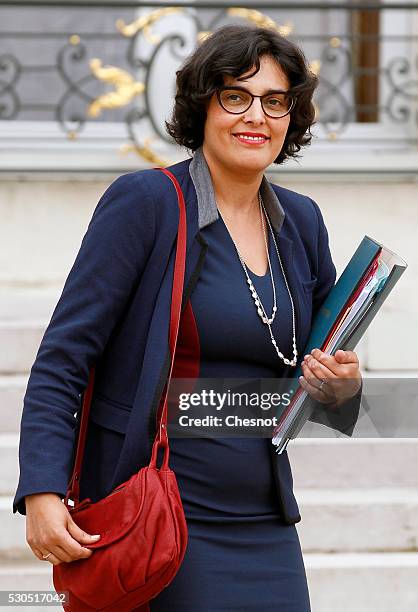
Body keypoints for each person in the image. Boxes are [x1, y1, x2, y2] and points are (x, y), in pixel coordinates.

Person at [14, 24, 362, 611]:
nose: (256, 116)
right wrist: (43, 491)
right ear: (202, 106)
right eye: (235, 96)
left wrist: (343, 387)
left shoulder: (302, 223)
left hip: (265, 521)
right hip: (162, 513)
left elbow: (323, 387)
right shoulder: (146, 204)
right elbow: (63, 358)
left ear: (291, 120)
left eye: (275, 102)